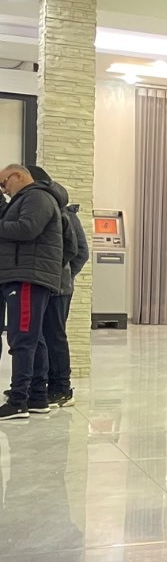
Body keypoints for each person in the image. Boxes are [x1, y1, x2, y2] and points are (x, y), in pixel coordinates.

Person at [0, 165, 66, 420]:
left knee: (22, 339)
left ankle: (18, 401)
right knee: (33, 338)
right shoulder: (26, 199)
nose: (4, 189)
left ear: (18, 176)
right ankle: (37, 397)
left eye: (4, 183)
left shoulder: (37, 196)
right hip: (26, 275)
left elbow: (27, 228)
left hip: (28, 276)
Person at [29, 166, 85, 407]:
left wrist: (64, 275)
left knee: (54, 336)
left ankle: (61, 388)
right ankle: (38, 386)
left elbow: (80, 252)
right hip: (42, 283)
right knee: (38, 336)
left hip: (59, 287)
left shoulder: (65, 212)